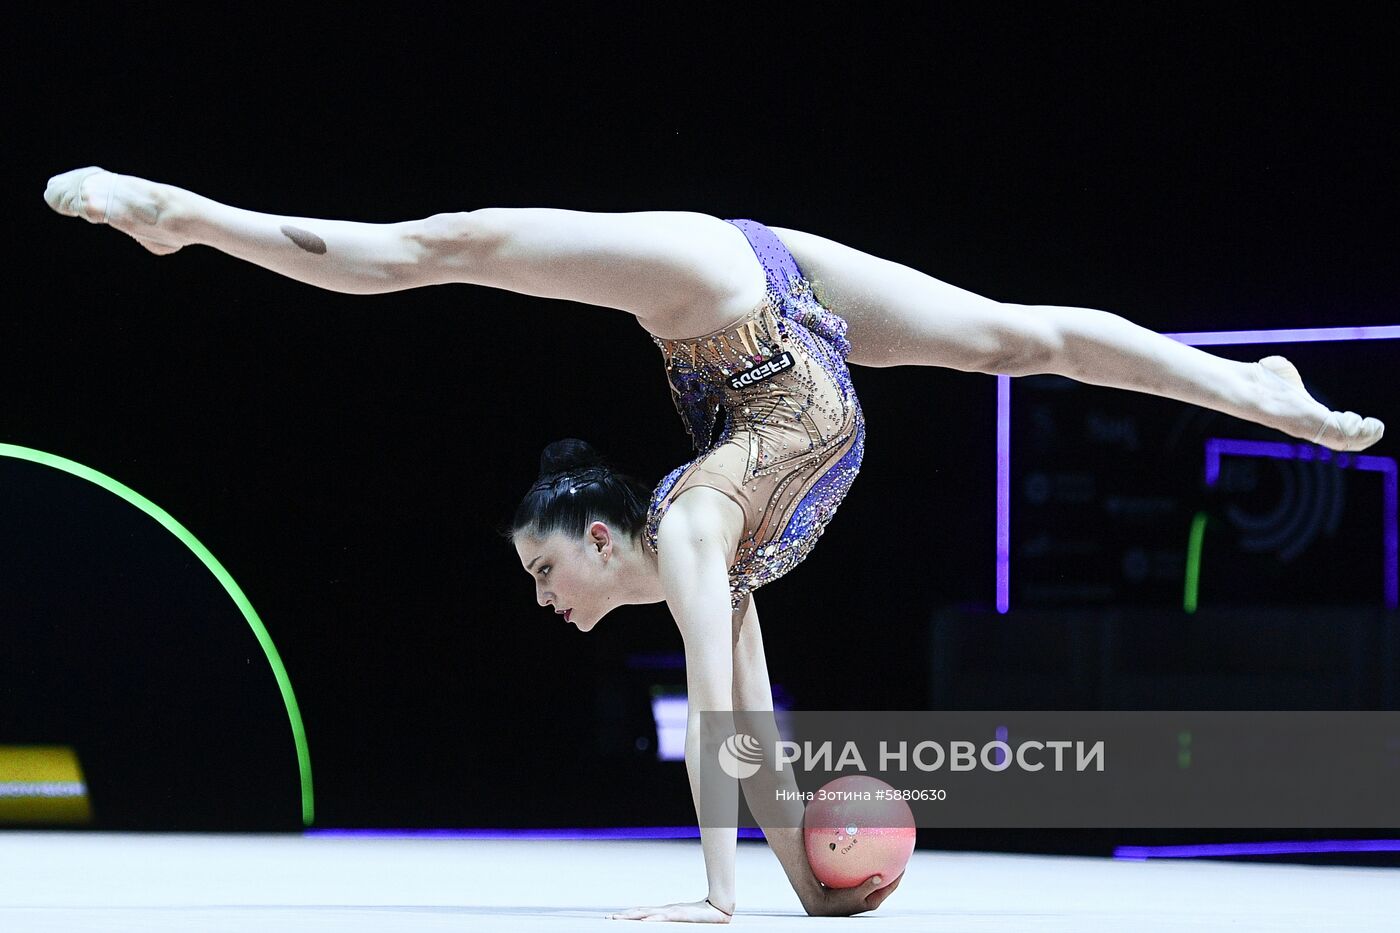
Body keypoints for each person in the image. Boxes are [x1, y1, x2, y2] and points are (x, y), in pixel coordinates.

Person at [44, 168, 1385, 922]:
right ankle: (1252, 385)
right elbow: (763, 728)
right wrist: (811, 875)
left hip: (722, 297)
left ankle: (184, 218)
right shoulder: (722, 551)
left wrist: (718, 896)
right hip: (785, 338)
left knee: (440, 247)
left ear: (599, 533)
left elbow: (719, 726)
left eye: (544, 569)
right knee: (1016, 341)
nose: (545, 598)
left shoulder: (692, 529)